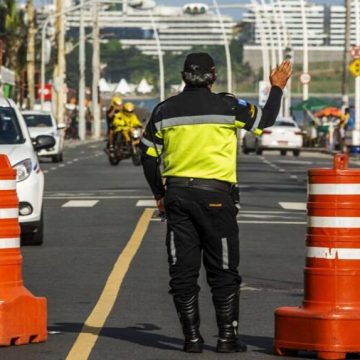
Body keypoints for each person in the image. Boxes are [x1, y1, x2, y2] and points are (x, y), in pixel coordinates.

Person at [140, 52, 292, 354]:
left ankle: (191, 338)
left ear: (183, 77)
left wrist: (159, 194)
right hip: (216, 198)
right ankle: (226, 337)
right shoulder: (229, 106)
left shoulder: (163, 111)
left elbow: (147, 157)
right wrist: (277, 86)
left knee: (183, 271)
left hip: (178, 197)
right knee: (223, 270)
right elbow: (267, 119)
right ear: (214, 77)